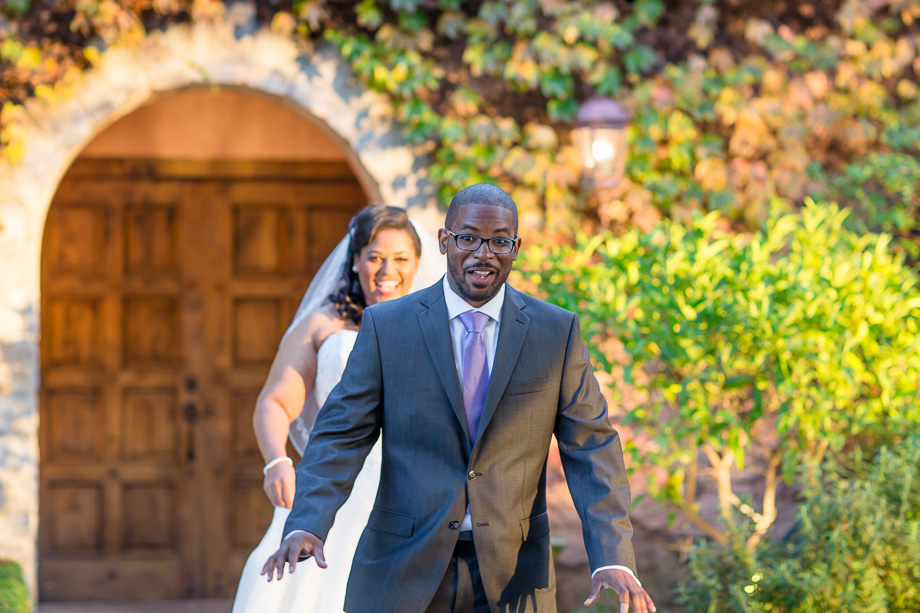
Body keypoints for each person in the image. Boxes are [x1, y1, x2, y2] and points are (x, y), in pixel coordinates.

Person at [263, 183, 656, 613]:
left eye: (499, 241)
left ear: (516, 246)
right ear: (445, 241)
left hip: (512, 576)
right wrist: (307, 523)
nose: (482, 253)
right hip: (403, 568)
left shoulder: (554, 333)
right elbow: (341, 434)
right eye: (468, 238)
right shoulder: (387, 327)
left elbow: (592, 445)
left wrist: (613, 556)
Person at [232, 204, 443, 613]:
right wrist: (276, 461)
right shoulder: (323, 325)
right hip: (330, 487)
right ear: (356, 260)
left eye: (400, 259)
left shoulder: (437, 327)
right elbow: (274, 402)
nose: (387, 271)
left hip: (410, 496)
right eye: (376, 257)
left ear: (418, 264)